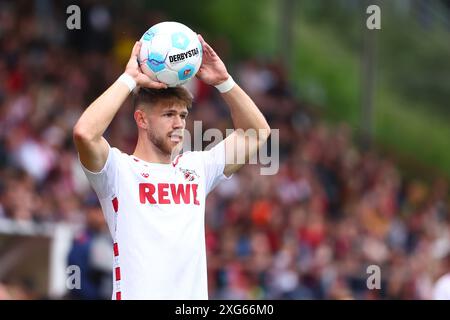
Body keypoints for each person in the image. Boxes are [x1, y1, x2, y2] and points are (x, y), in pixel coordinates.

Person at [73, 34, 271, 299]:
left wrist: (225, 82)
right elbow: (85, 133)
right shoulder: (118, 171)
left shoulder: (197, 168)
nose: (179, 123)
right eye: (169, 115)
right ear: (141, 119)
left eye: (183, 115)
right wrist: (128, 79)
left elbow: (256, 133)